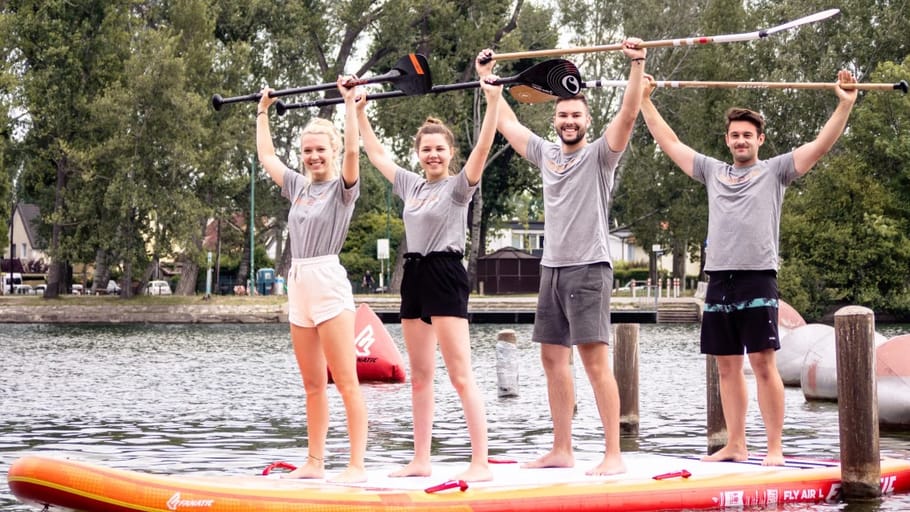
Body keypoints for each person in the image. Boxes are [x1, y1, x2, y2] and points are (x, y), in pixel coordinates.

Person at [639, 70, 858, 466]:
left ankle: (774, 448)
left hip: (758, 277)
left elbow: (819, 146)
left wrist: (844, 104)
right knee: (727, 367)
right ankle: (736, 444)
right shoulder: (712, 171)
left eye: (747, 135)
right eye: (735, 135)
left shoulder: (776, 171)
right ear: (727, 140)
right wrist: (644, 101)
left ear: (760, 140)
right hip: (719, 279)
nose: (741, 140)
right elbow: (670, 143)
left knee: (762, 364)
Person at [482, 39, 646, 476]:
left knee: (594, 362)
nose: (569, 121)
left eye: (576, 115)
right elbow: (507, 123)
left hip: (588, 268)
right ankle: (562, 449)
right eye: (563, 115)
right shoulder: (546, 154)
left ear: (587, 121)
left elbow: (629, 114)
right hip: (551, 270)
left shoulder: (600, 156)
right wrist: (488, 81)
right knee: (552, 360)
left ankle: (613, 455)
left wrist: (636, 64)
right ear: (554, 119)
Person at [355, 55, 503, 482]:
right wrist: (360, 112)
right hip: (414, 276)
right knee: (420, 377)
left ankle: (480, 462)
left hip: (445, 274)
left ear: (450, 153)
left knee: (459, 374)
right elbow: (376, 153)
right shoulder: (411, 185)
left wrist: (492, 101)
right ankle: (421, 460)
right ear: (418, 154)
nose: (433, 154)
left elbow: (483, 149)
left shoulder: (459, 187)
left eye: (440, 149)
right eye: (426, 149)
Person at [256, 76, 368, 482]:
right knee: (312, 383)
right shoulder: (298, 186)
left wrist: (349, 104)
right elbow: (267, 156)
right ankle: (315, 463)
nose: (313, 156)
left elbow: (354, 150)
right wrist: (262, 111)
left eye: (320, 150)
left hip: (328, 281)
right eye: (307, 151)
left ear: (332, 151)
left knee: (346, 381)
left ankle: (356, 466)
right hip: (299, 282)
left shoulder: (343, 189)